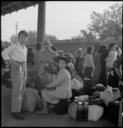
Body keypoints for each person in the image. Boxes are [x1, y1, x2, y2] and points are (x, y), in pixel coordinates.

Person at [2, 30, 28, 120]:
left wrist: (25, 68)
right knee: (17, 90)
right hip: (16, 68)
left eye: (24, 37)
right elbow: (3, 53)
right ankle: (15, 111)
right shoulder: (13, 46)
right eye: (21, 36)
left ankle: (19, 108)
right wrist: (12, 62)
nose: (23, 38)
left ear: (26, 38)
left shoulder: (25, 48)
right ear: (18, 37)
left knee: (22, 90)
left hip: (24, 67)